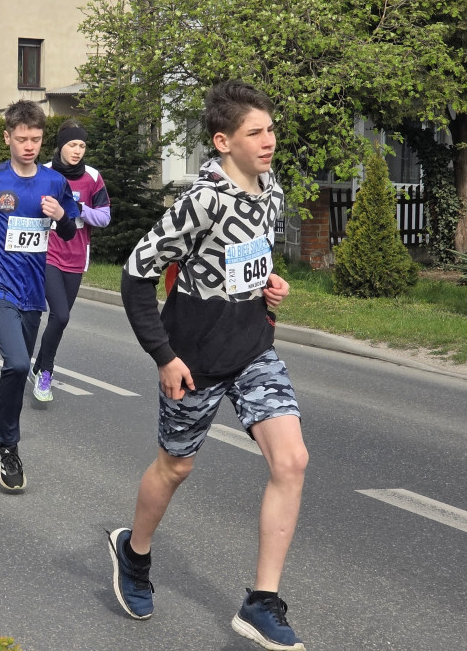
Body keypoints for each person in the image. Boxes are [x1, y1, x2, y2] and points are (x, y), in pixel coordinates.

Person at [108, 81, 307, 651]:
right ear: (223, 142)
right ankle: (134, 552)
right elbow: (136, 272)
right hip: (192, 360)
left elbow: (247, 259)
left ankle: (262, 601)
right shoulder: (203, 199)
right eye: (256, 132)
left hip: (253, 350)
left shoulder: (271, 189)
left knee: (292, 460)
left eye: (270, 129)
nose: (269, 141)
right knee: (175, 469)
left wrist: (268, 284)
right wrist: (164, 357)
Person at [0, 100, 79, 493]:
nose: (28, 146)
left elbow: (70, 233)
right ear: (7, 138)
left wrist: (61, 217)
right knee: (19, 362)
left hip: (32, 289)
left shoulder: (55, 183)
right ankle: (10, 447)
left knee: (16, 370)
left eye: (36, 139)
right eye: (21, 138)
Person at [29, 120, 111, 402]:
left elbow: (104, 217)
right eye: (72, 144)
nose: (77, 150)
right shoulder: (45, 174)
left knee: (58, 319)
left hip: (77, 256)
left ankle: (39, 364)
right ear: (61, 145)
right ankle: (46, 373)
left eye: (82, 145)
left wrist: (79, 209)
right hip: (48, 252)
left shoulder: (92, 177)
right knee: (61, 314)